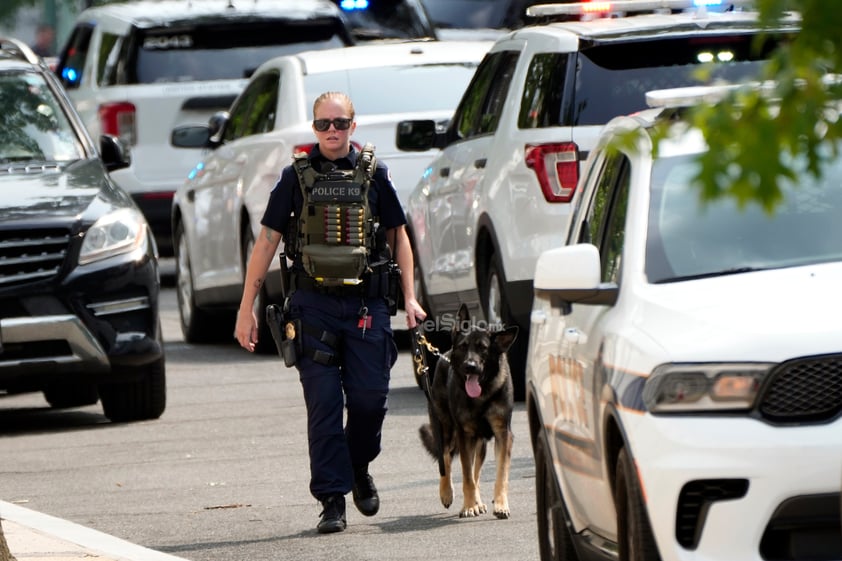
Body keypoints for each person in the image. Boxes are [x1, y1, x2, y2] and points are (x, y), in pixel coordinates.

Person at [235, 91, 426, 534]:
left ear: (353, 126)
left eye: (340, 124)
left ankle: (358, 467)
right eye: (323, 125)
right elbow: (266, 243)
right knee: (323, 406)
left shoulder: (375, 174)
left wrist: (411, 295)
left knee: (369, 402)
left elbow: (399, 237)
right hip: (312, 307)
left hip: (367, 306)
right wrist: (246, 308)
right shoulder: (294, 178)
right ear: (314, 128)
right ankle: (332, 499)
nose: (332, 132)